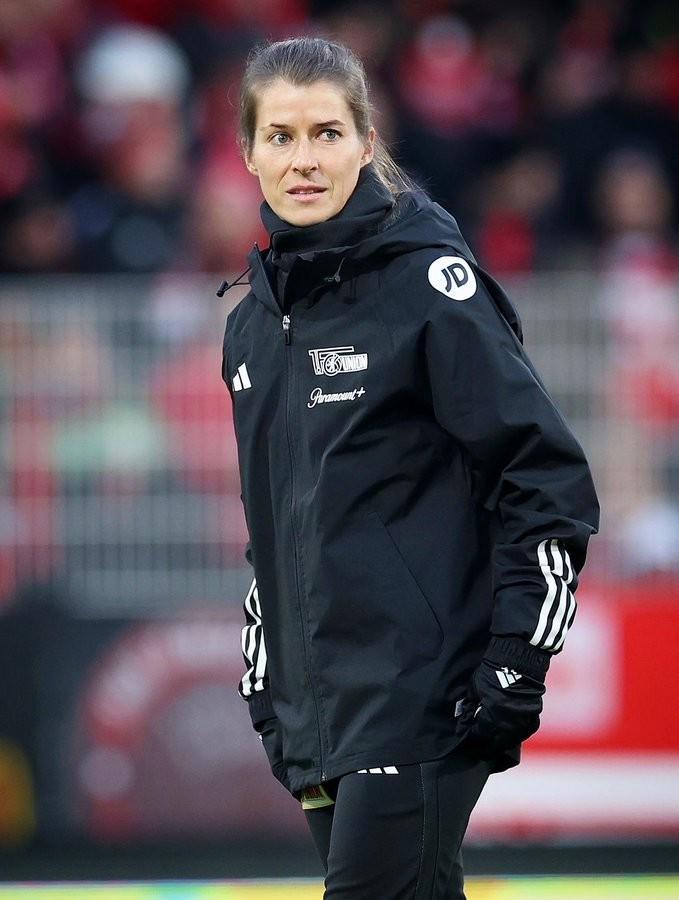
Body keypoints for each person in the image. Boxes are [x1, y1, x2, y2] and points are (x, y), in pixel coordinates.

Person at [220, 36, 600, 899]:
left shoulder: (429, 287)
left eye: (326, 133)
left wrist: (517, 656)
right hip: (314, 711)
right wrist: (265, 678)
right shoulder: (249, 328)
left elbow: (543, 480)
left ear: (365, 142)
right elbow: (273, 525)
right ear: (247, 154)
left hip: (422, 696)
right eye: (280, 136)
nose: (304, 159)